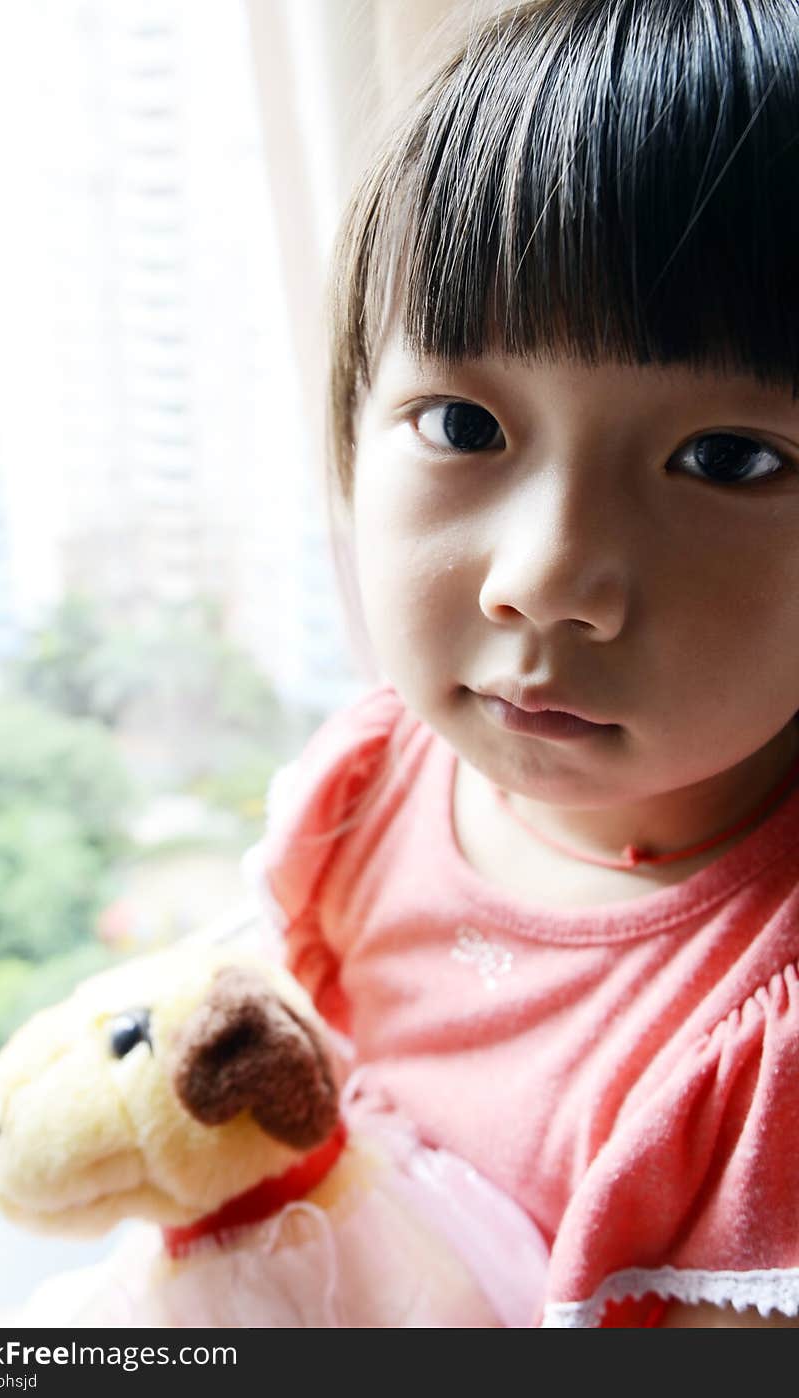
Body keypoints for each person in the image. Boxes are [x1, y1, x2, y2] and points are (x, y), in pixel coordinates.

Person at [244, 0, 799, 1327]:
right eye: (462, 421)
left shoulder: (764, 1044)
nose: (548, 573)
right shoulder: (365, 783)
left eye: (727, 457)